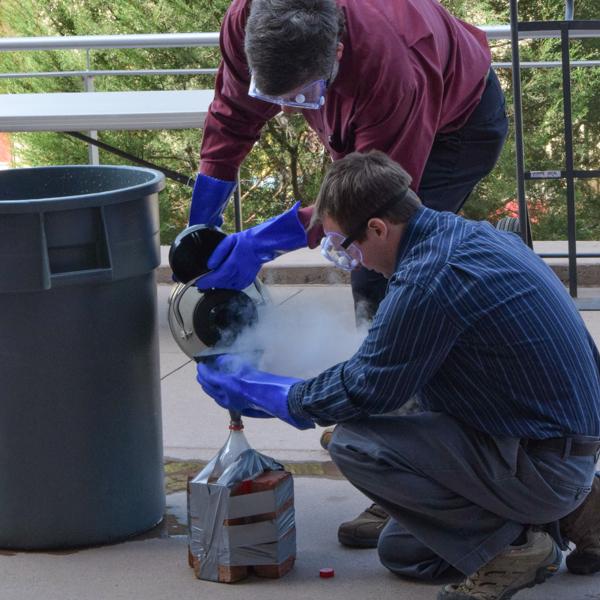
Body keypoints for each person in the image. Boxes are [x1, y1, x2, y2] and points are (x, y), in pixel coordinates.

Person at [197, 151, 600, 599]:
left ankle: (521, 545)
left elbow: (363, 388)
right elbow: (384, 370)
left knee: (356, 442)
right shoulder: (466, 235)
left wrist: (269, 394)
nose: (354, 262)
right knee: (406, 553)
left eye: (345, 247)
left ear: (377, 229)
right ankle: (582, 512)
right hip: (559, 442)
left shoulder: (430, 279)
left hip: (545, 462)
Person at [189, 0, 509, 546]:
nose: (289, 112)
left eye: (300, 98)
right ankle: (397, 440)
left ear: (335, 53)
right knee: (372, 270)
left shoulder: (394, 69)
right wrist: (204, 220)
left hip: (458, 124)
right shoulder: (251, 17)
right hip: (368, 110)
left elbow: (370, 204)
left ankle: (408, 474)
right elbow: (233, 112)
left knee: (382, 273)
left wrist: (263, 242)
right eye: (277, 98)